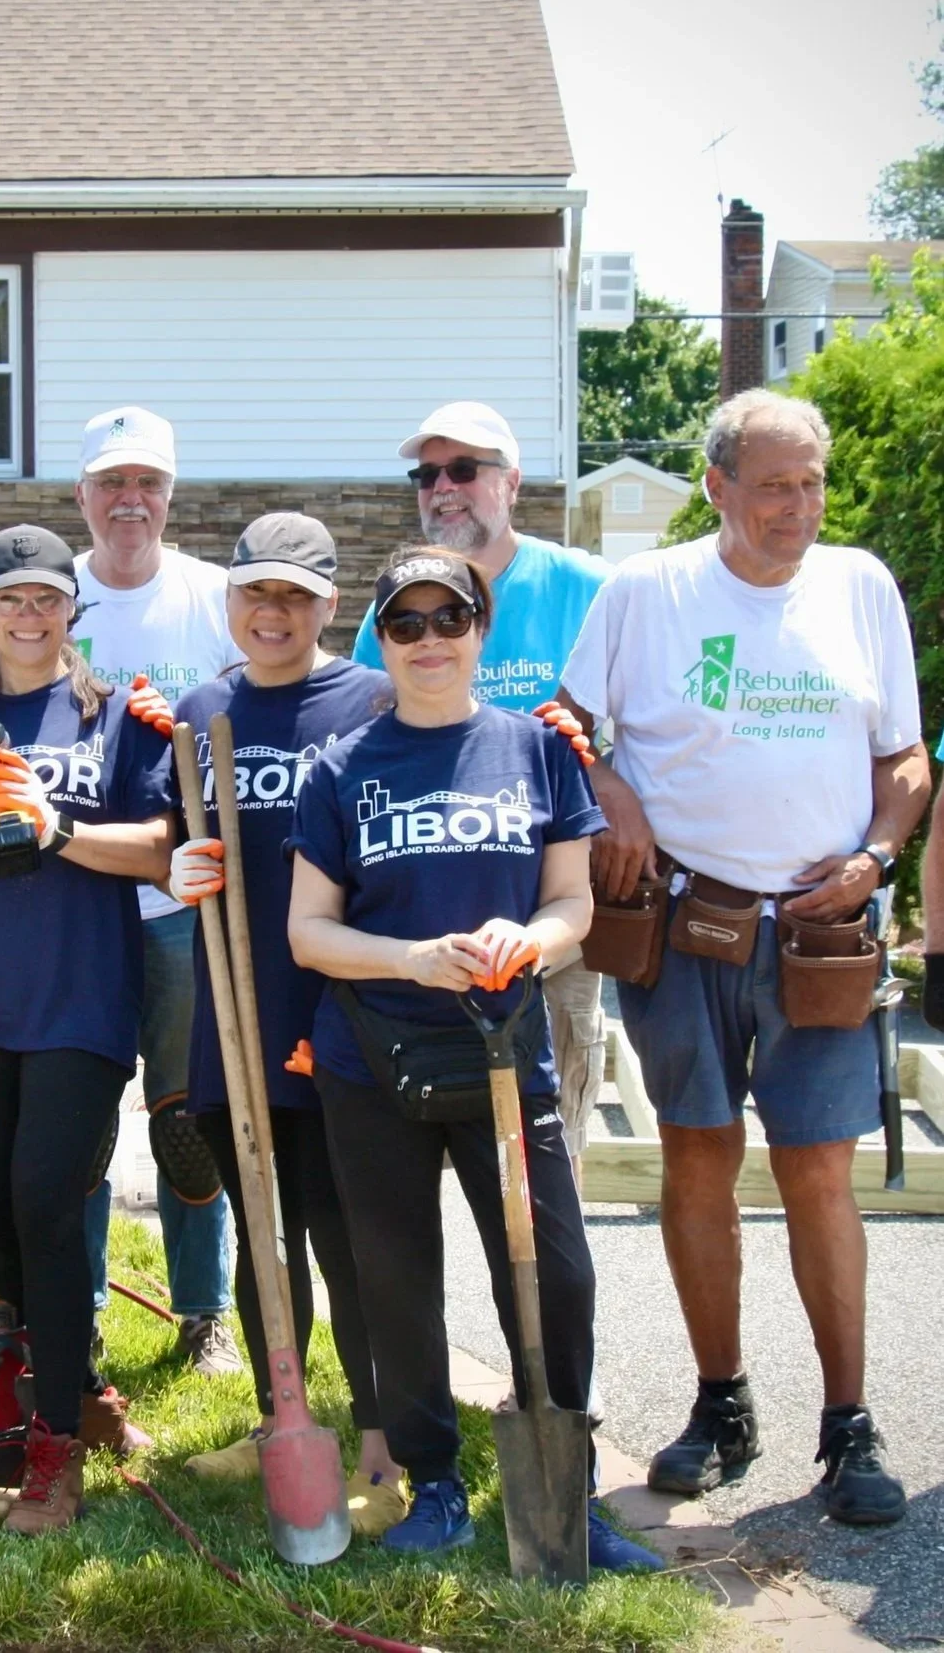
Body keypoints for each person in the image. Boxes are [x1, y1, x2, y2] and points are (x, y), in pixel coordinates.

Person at [559, 390, 929, 1526]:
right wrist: (611, 789)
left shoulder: (861, 586)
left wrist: (875, 857)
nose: (797, 506)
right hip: (687, 928)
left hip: (820, 933)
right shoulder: (646, 591)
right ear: (715, 488)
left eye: (810, 481)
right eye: (772, 484)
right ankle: (722, 1405)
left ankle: (848, 1426)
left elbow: (905, 761)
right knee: (696, 1160)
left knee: (821, 1171)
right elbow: (567, 725)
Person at [288, 545, 658, 1570]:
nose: (427, 641)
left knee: (553, 1274)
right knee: (397, 1276)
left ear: (478, 630)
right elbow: (308, 932)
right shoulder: (342, 768)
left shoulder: (535, 752)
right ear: (383, 639)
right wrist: (408, 956)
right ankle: (436, 1481)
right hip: (376, 1061)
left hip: (504, 1059)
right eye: (403, 624)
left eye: (446, 619)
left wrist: (526, 943)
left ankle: (564, 1488)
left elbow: (573, 905)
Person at [0, 525, 176, 1535]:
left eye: (46, 598)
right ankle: (85, 1380)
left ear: (72, 608)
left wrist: (58, 831)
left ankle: (51, 1449)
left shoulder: (119, 719)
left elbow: (158, 849)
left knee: (45, 1203)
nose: (28, 616)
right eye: (9, 598)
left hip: (80, 1002)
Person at [163, 514, 404, 1536]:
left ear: (329, 606)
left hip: (333, 1020)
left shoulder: (370, 703)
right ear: (229, 602)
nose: (274, 613)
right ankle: (282, 1420)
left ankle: (384, 1445)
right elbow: (181, 840)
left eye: (296, 597)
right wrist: (174, 864)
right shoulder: (199, 709)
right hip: (231, 1012)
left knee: (343, 1234)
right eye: (256, 593)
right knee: (261, 1238)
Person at [352, 403, 612, 1180]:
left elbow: (643, 730)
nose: (443, 488)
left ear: (512, 482)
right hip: (426, 930)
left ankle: (544, 1291)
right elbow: (368, 733)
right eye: (427, 473)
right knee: (421, 1155)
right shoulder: (390, 613)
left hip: (551, 922)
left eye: (464, 469)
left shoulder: (590, 588)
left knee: (548, 1154)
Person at [69, 407, 243, 1375]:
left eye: (146, 484)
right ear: (82, 496)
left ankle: (201, 1312)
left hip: (187, 904)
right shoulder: (52, 600)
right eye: (110, 484)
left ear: (169, 496)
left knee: (185, 1119)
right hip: (89, 904)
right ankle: (79, 1307)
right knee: (85, 1120)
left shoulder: (216, 596)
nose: (128, 502)